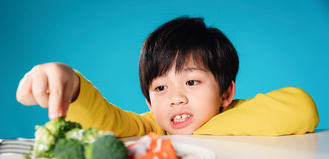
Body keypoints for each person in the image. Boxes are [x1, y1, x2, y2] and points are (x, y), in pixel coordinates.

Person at [16, 16, 319, 137]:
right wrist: (74, 86)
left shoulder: (239, 114)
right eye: (160, 87)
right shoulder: (150, 127)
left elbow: (302, 108)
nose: (175, 98)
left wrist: (203, 131)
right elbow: (109, 122)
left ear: (226, 93)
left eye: (191, 82)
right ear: (148, 101)